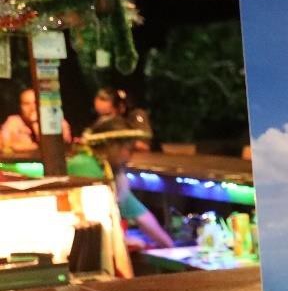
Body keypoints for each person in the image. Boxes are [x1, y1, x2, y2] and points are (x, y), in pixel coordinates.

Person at [76, 115, 174, 249]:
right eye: (129, 149)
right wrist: (124, 241)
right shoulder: (85, 166)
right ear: (112, 145)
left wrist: (169, 245)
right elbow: (98, 222)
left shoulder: (108, 169)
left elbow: (137, 211)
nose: (130, 157)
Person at [1, 87, 73, 155]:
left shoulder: (56, 120)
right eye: (26, 104)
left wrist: (35, 123)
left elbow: (58, 145)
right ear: (20, 106)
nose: (32, 108)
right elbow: (4, 146)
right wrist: (36, 147)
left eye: (36, 103)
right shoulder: (13, 121)